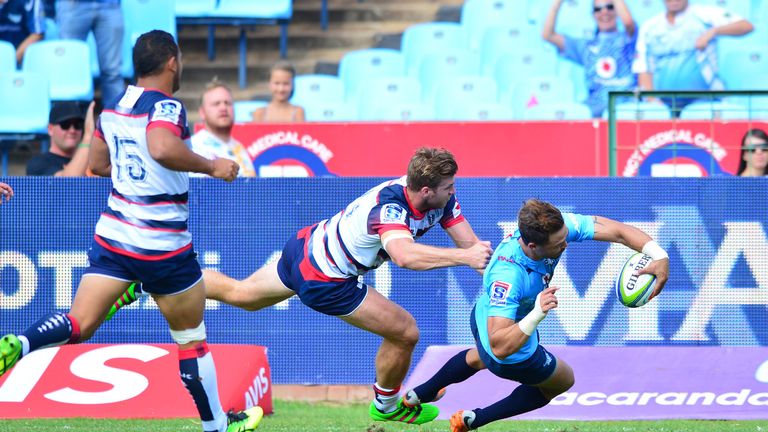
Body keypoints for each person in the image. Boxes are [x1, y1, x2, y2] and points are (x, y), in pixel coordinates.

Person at [110, 147, 494, 425]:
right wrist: (465, 258)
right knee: (405, 331)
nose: (452, 191)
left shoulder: (440, 200)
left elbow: (470, 246)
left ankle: (153, 281)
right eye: (447, 186)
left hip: (307, 246)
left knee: (242, 296)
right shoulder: (390, 208)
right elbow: (406, 256)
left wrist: (488, 266)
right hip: (325, 277)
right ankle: (387, 405)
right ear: (425, 190)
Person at [0, 30, 262, 432]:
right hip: (162, 244)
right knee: (191, 341)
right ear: (172, 61)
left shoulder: (113, 106)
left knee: (79, 322)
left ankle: (20, 344)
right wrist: (213, 165)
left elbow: (100, 164)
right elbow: (161, 147)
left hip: (116, 236)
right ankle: (219, 427)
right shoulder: (168, 108)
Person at [402, 199, 670, 432]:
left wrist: (658, 255)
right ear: (532, 245)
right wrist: (536, 314)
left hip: (487, 314)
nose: (566, 245)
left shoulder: (554, 228)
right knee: (562, 379)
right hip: (506, 340)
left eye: (565, 237)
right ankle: (474, 419)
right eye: (558, 244)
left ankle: (417, 394)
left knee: (477, 356)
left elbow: (619, 231)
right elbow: (500, 346)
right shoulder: (509, 275)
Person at [632, 0, 753, 110]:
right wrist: (652, 100)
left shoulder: (704, 15)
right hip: (665, 103)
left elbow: (746, 26)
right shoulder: (649, 27)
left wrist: (713, 31)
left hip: (704, 99)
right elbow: (643, 66)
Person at [542, 0, 636, 118]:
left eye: (610, 7)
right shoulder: (586, 46)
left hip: (626, 107)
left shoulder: (629, 39)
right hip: (594, 110)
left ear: (617, 10)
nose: (604, 12)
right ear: (593, 14)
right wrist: (557, 3)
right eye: (598, 9)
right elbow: (548, 35)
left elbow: (628, 22)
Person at [55, 0, 124, 105]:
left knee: (112, 72)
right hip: (73, 4)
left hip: (109, 4)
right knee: (68, 70)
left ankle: (118, 118)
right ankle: (68, 119)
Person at [191, 78, 256, 177]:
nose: (223, 108)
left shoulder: (239, 146)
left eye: (227, 103)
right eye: (216, 104)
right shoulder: (194, 147)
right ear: (202, 112)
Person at [26, 101, 95, 176]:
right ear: (50, 129)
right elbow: (68, 183)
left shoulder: (94, 162)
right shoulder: (38, 164)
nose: (72, 130)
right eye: (65, 125)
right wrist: (88, 137)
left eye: (77, 125)